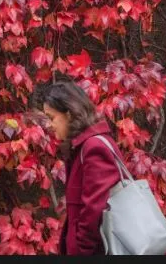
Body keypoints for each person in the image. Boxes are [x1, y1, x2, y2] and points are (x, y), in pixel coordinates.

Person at [39, 80, 124, 255]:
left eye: (51, 117)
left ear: (69, 114)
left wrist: (81, 251)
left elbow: (94, 213)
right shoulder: (82, 148)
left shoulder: (93, 147)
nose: (48, 125)